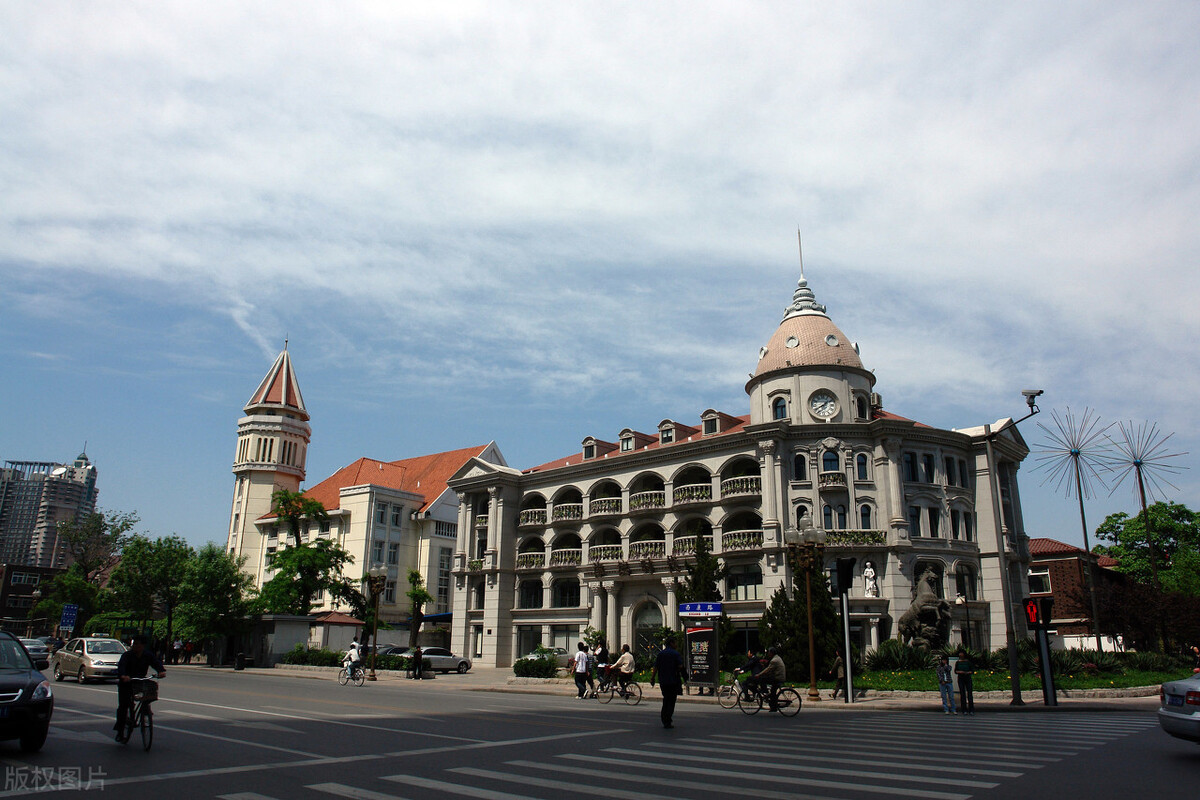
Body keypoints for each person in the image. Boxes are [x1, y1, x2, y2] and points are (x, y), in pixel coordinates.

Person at [114, 635, 165, 742]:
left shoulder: (147, 655)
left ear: (143, 646)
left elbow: (156, 663)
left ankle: (145, 711)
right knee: (124, 706)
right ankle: (120, 730)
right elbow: (121, 667)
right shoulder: (127, 655)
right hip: (127, 682)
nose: (135, 646)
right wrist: (124, 676)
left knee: (149, 694)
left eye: (138, 644)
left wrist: (161, 671)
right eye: (134, 644)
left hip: (140, 681)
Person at [650, 637, 687, 728]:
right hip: (673, 680)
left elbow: (655, 667)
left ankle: (664, 718)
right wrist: (685, 677)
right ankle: (668, 720)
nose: (676, 645)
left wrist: (652, 678)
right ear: (671, 643)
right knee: (671, 701)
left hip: (663, 681)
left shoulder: (661, 654)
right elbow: (680, 666)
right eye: (675, 643)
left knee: (666, 699)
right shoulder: (675, 654)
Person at [750, 646, 786, 712]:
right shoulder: (777, 658)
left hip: (778, 678)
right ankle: (773, 706)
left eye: (769, 653)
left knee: (762, 680)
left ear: (771, 653)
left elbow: (768, 670)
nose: (768, 654)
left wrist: (759, 675)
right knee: (773, 691)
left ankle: (765, 691)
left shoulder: (774, 660)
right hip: (779, 677)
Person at [955, 649, 975, 715]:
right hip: (961, 678)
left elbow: (972, 670)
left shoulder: (968, 662)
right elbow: (956, 671)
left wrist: (968, 672)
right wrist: (960, 672)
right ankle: (964, 709)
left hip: (967, 678)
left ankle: (971, 709)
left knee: (969, 694)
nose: (960, 655)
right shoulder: (958, 662)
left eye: (961, 653)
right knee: (962, 694)